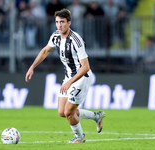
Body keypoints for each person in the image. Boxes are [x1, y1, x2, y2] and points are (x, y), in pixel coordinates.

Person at [25, 9, 106, 143]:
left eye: (62, 22)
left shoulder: (76, 40)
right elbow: (45, 50)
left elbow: (85, 67)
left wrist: (70, 82)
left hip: (82, 77)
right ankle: (96, 116)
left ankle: (80, 137)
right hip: (69, 77)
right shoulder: (55, 36)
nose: (59, 25)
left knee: (69, 111)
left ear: (69, 23)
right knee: (62, 112)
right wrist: (32, 67)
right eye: (57, 22)